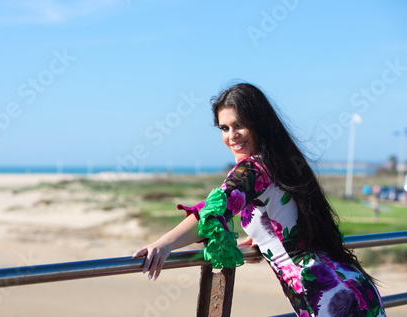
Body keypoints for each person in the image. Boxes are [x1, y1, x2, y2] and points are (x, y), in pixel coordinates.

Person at [133, 83, 385, 316]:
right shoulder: (281, 160)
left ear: (260, 123)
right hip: (355, 287)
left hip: (326, 297)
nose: (232, 136)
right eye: (224, 128)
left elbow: (214, 209)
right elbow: (283, 218)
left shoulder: (253, 170)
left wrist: (164, 244)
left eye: (239, 125)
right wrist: (262, 240)